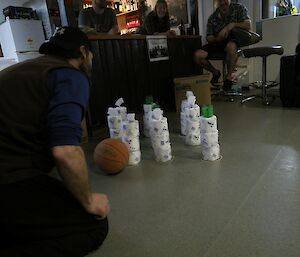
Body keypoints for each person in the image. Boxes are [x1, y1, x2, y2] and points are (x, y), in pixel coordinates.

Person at [0, 27, 110, 257]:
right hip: (8, 176)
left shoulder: (27, 69)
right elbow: (65, 151)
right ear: (83, 52)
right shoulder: (71, 75)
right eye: (90, 54)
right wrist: (89, 199)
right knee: (94, 225)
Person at [194, 0, 251, 91]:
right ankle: (215, 73)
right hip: (217, 43)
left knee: (231, 47)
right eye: (220, 0)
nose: (223, 2)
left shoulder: (239, 8)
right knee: (198, 55)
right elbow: (209, 37)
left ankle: (228, 78)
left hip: (234, 41)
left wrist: (231, 25)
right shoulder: (212, 17)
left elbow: (248, 25)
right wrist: (217, 38)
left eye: (225, 0)